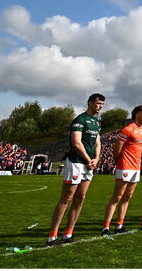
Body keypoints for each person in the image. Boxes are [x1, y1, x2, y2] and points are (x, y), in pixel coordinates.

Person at [46, 93, 104, 246]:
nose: (100, 106)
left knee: (80, 198)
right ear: (90, 103)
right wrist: (87, 159)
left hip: (89, 164)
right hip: (76, 162)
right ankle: (52, 236)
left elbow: (98, 143)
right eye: (98, 103)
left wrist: (96, 159)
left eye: (102, 104)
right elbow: (76, 143)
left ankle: (68, 234)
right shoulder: (80, 120)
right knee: (67, 198)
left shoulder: (97, 123)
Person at [101, 105, 142, 235]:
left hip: (136, 167)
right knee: (117, 197)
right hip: (125, 166)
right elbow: (117, 149)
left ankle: (119, 225)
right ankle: (105, 227)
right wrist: (119, 162)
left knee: (128, 197)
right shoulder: (128, 129)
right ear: (137, 114)